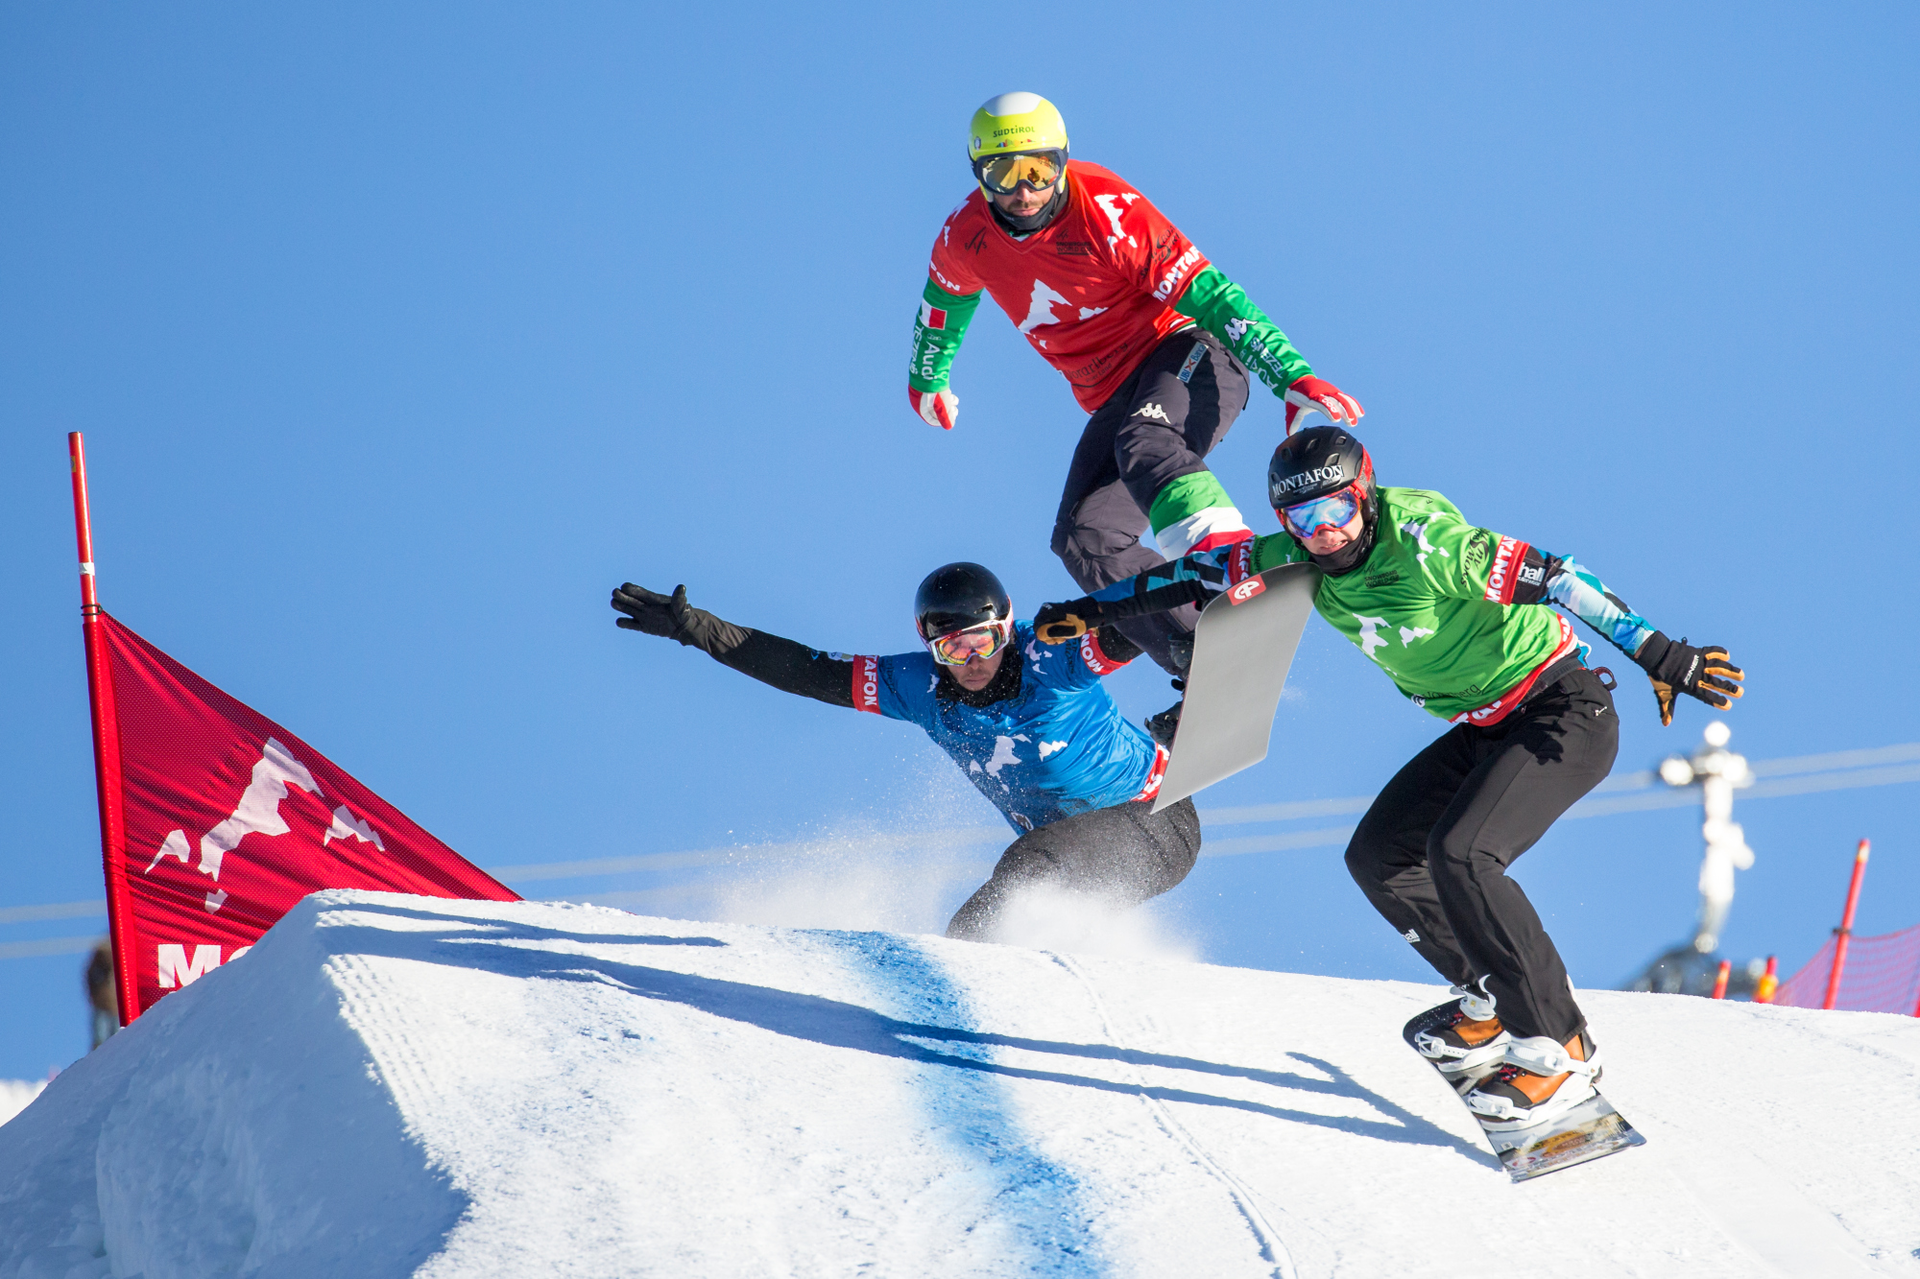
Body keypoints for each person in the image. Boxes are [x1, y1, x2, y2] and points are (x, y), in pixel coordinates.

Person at [1032, 426, 1745, 1127]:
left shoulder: (1428, 543)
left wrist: (1659, 653)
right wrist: (1086, 611)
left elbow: (1559, 576)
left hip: (1562, 710)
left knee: (1463, 854)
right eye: (1302, 520)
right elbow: (1191, 574)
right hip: (1486, 726)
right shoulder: (1292, 556)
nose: (1324, 533)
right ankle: (1489, 996)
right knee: (1380, 857)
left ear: (1365, 493)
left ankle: (1561, 1046)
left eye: (1336, 509)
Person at [906, 92, 1362, 704]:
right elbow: (944, 302)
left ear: (1063, 160)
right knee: (1082, 537)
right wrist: (928, 376)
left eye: (1039, 169)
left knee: (1144, 441)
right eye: (1003, 174)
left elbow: (1212, 294)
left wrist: (1293, 376)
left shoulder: (1108, 210)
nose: (1024, 191)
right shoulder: (966, 236)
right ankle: (1199, 655)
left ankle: (1230, 562)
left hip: (1191, 351)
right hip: (1117, 396)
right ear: (978, 174)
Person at [610, 563, 1200, 942]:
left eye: (983, 641)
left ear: (1006, 628)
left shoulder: (1052, 657)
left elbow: (1134, 622)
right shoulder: (917, 687)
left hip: (1156, 819)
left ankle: (978, 985)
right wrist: (696, 628)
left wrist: (1193, 643)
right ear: (930, 648)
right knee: (990, 913)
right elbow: (806, 671)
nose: (972, 660)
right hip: (1079, 851)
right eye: (952, 649)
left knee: (1021, 880)